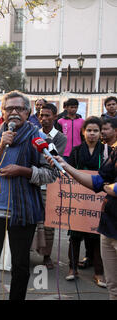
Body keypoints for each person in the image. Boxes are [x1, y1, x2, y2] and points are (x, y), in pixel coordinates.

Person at [0, 90, 56, 300]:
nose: (14, 112)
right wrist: (2, 145)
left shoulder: (40, 138)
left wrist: (24, 171)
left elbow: (52, 173)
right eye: (9, 108)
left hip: (24, 211)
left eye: (19, 108)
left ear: (28, 112)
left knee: (20, 264)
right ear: (2, 112)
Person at [45, 135, 117, 300]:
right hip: (108, 228)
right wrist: (66, 166)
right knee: (113, 288)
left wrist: (110, 187)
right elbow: (98, 182)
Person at [64, 117, 109, 288]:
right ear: (83, 132)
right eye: (89, 130)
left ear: (100, 133)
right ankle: (72, 269)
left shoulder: (106, 151)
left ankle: (98, 273)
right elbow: (68, 172)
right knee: (74, 237)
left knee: (96, 238)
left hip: (97, 201)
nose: (92, 134)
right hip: (78, 201)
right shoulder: (75, 151)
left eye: (95, 131)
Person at [35, 103, 67, 269]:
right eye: (41, 115)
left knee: (49, 223)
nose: (44, 119)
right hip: (33, 183)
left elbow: (54, 160)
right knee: (31, 220)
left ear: (55, 117)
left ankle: (46, 255)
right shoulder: (34, 133)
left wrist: (39, 162)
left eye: (48, 116)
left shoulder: (61, 138)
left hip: (50, 185)